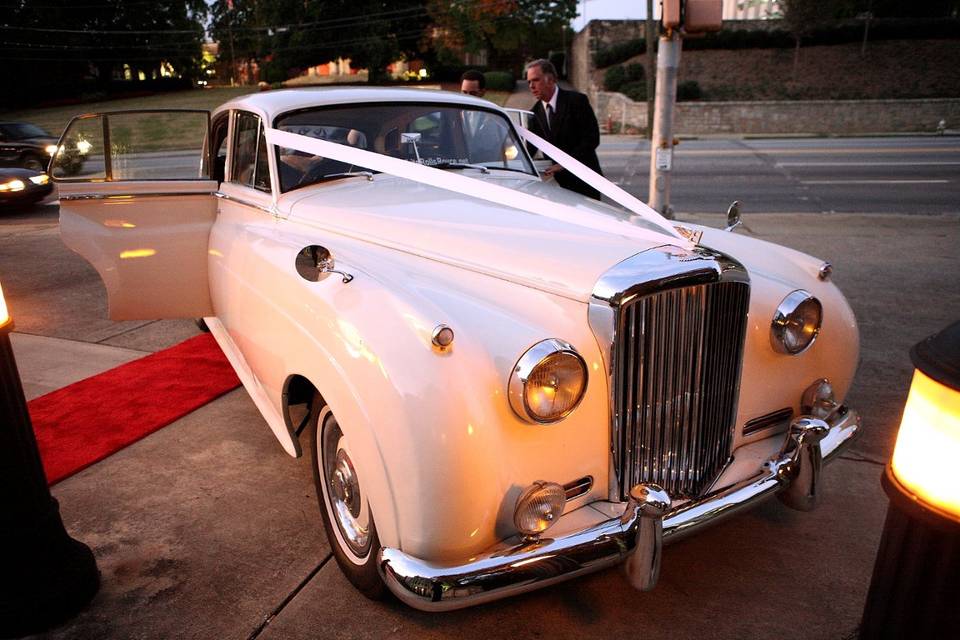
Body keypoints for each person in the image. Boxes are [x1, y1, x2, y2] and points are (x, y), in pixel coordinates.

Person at [524, 59, 603, 200]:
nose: (531, 86)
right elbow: (530, 148)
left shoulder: (576, 101)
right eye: (529, 82)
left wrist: (564, 164)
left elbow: (592, 139)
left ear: (551, 80)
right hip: (557, 187)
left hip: (585, 180)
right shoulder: (535, 113)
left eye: (536, 80)